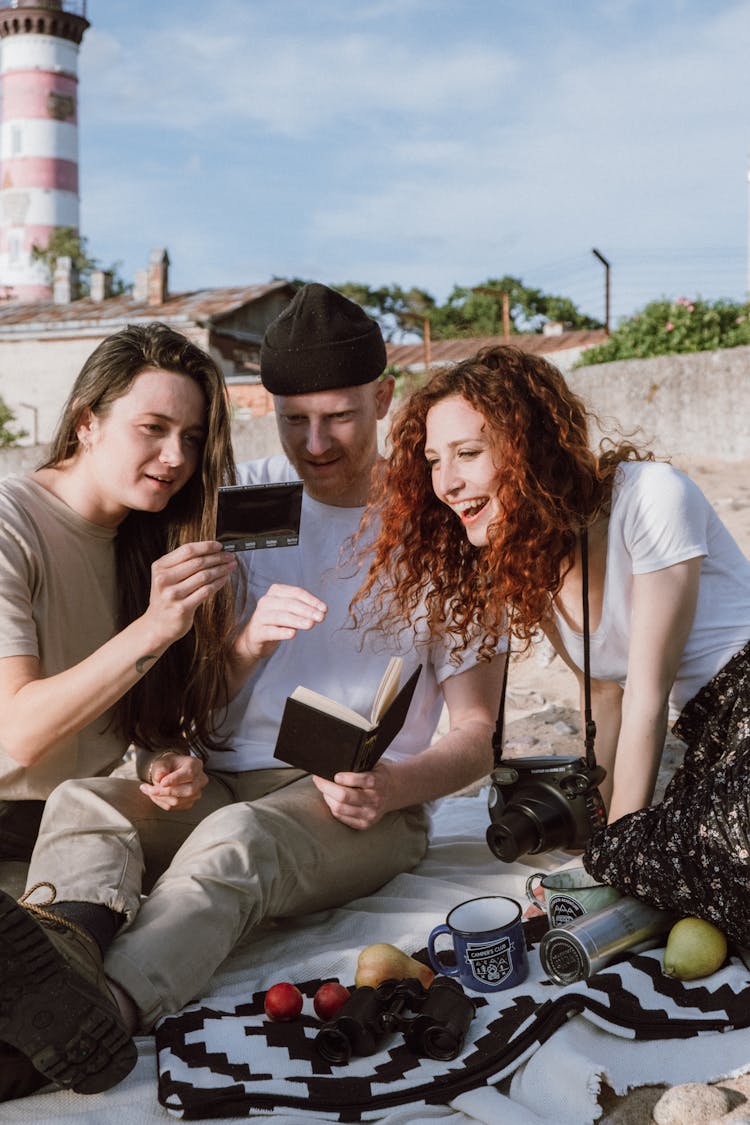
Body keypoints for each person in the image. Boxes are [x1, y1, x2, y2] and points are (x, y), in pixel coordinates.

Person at [0, 285, 504, 1102]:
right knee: (91, 802)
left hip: (360, 802)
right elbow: (198, 701)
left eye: (338, 416)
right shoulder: (243, 502)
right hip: (230, 771)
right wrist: (245, 645)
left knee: (237, 842)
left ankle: (100, 1016)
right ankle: (50, 969)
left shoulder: (442, 523)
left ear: (383, 398)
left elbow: (479, 733)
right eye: (292, 418)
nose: (314, 442)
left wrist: (391, 786)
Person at [353, 343, 750, 942]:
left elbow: (647, 695)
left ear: (531, 449)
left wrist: (613, 855)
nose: (447, 483)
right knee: (695, 853)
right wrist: (608, 832)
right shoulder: (528, 559)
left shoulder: (653, 496)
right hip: (711, 738)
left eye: (467, 453)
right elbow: (604, 696)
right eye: (434, 460)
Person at [0, 322, 239, 1096]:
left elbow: (128, 723)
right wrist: (155, 627)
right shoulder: (11, 522)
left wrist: (161, 757)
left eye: (192, 437)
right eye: (153, 428)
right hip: (12, 814)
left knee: (109, 821)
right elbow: (17, 735)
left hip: (84, 830)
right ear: (86, 421)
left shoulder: (149, 541)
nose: (176, 458)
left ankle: (44, 1010)